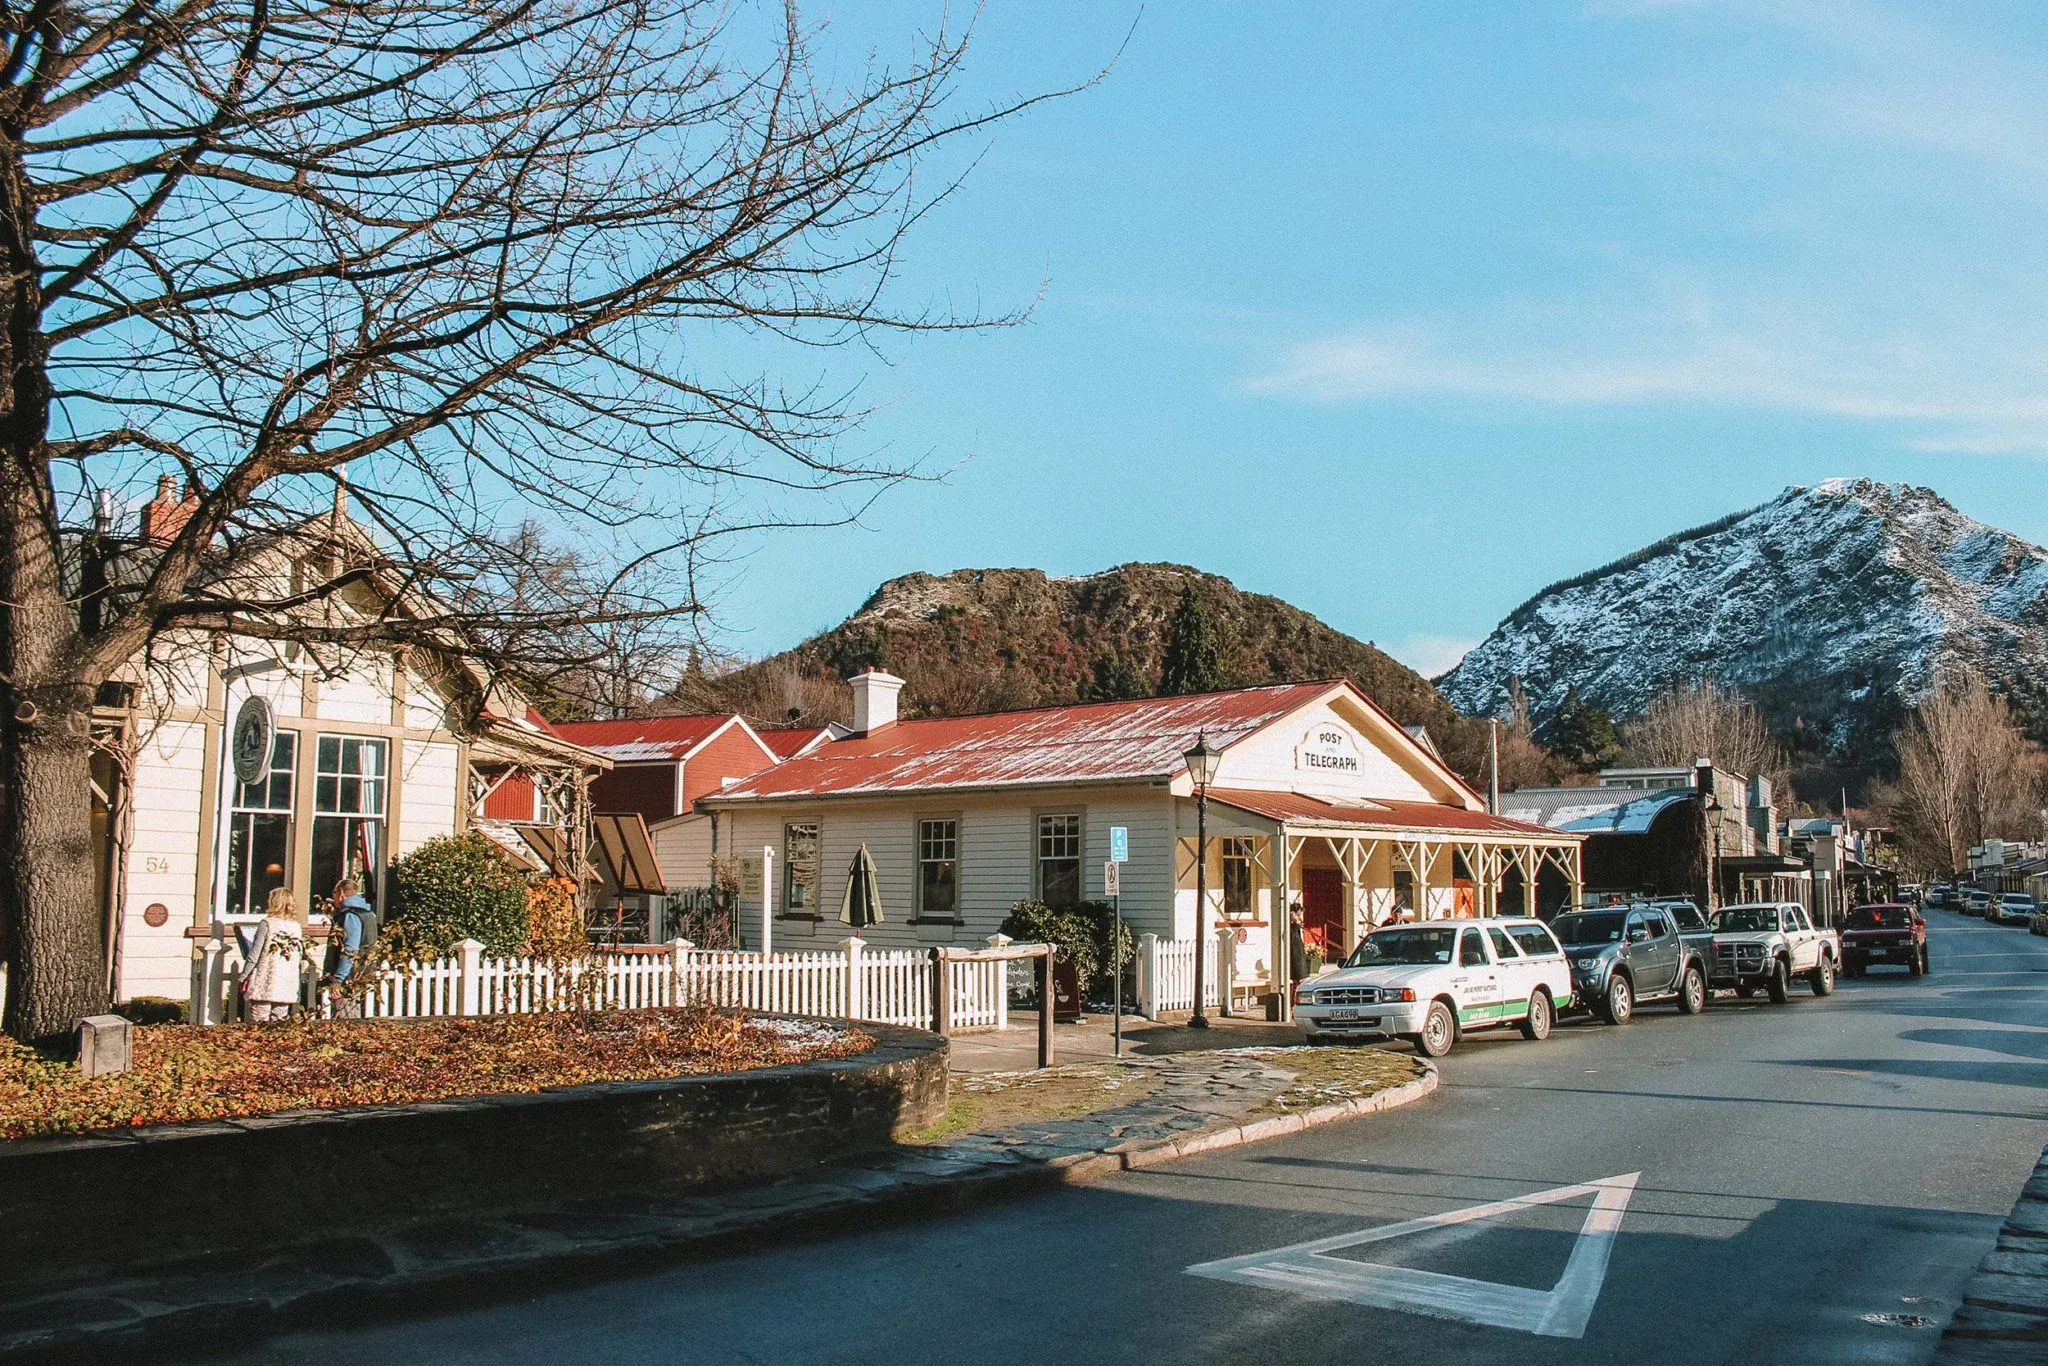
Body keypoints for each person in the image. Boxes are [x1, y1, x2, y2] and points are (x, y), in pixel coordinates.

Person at [240, 887, 307, 1022]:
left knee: (259, 1021)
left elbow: (255, 954)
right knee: (279, 1022)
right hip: (286, 982)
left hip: (266, 979)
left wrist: (243, 976)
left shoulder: (267, 924)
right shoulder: (296, 927)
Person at [323, 878, 381, 1014]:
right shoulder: (368, 913)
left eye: (334, 893)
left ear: (341, 893)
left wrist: (338, 979)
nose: (334, 897)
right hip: (362, 974)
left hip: (348, 976)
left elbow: (350, 949)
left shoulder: (350, 915)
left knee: (344, 1019)